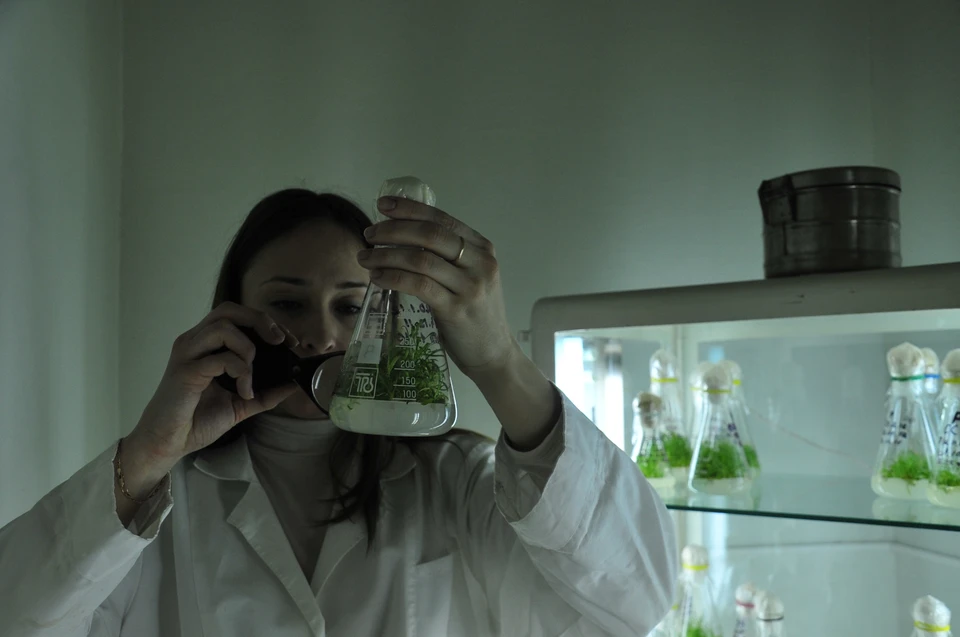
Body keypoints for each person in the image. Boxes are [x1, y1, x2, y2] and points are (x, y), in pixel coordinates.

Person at [0, 188, 678, 636]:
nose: (321, 336)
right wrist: (151, 450)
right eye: (287, 303)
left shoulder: (456, 480)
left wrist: (500, 360)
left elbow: (635, 598)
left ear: (390, 321)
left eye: (352, 307)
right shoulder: (158, 504)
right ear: (231, 315)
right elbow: (17, 615)